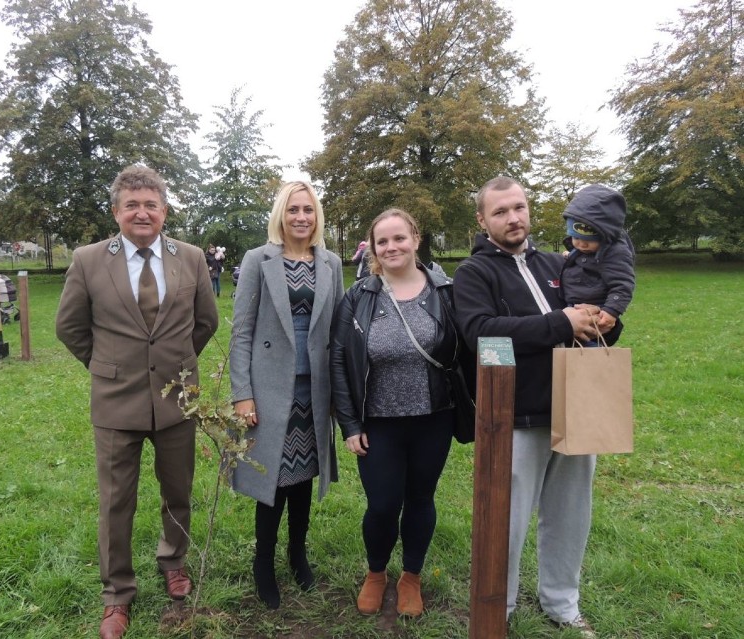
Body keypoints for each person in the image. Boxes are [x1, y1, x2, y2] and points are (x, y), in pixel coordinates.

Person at [56, 165, 219, 639]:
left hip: (177, 400)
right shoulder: (89, 260)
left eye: (151, 204)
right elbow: (69, 326)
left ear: (164, 211)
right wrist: (106, 365)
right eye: (132, 205)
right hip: (115, 401)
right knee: (115, 503)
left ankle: (174, 561)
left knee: (178, 492)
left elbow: (205, 322)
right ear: (116, 212)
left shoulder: (189, 258)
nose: (142, 213)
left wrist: (178, 365)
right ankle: (117, 594)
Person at [452, 176, 613, 638]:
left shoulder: (559, 264)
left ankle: (561, 603)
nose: (513, 217)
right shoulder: (474, 274)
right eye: (500, 211)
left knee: (571, 513)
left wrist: (606, 320)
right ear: (482, 220)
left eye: (518, 207)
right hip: (516, 415)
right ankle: (496, 605)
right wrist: (558, 322)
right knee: (508, 518)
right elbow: (481, 332)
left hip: (579, 406)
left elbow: (590, 317)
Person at [330, 208, 470, 617]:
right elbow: (339, 359)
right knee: (383, 504)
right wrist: (349, 424)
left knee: (421, 498)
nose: (391, 247)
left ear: (416, 239)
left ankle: (411, 576)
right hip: (378, 422)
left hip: (434, 417)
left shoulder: (444, 291)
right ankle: (376, 573)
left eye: (399, 238)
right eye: (382, 241)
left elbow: (468, 347)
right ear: (373, 249)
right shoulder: (360, 296)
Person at [229, 181, 344, 609]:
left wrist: (339, 393)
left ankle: (298, 553)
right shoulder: (258, 260)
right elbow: (241, 331)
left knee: (303, 476)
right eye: (293, 209)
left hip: (314, 390)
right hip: (269, 389)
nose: (301, 217)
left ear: (317, 217)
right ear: (281, 214)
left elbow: (337, 333)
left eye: (308, 210)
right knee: (272, 478)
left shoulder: (330, 263)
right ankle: (264, 563)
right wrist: (242, 394)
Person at [561, 184, 635, 341]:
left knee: (589, 354)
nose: (581, 245)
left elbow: (622, 284)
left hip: (596, 314)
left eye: (588, 240)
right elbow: (589, 262)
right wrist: (572, 256)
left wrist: (611, 311)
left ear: (605, 236)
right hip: (574, 308)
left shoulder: (615, 252)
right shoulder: (588, 250)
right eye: (575, 238)